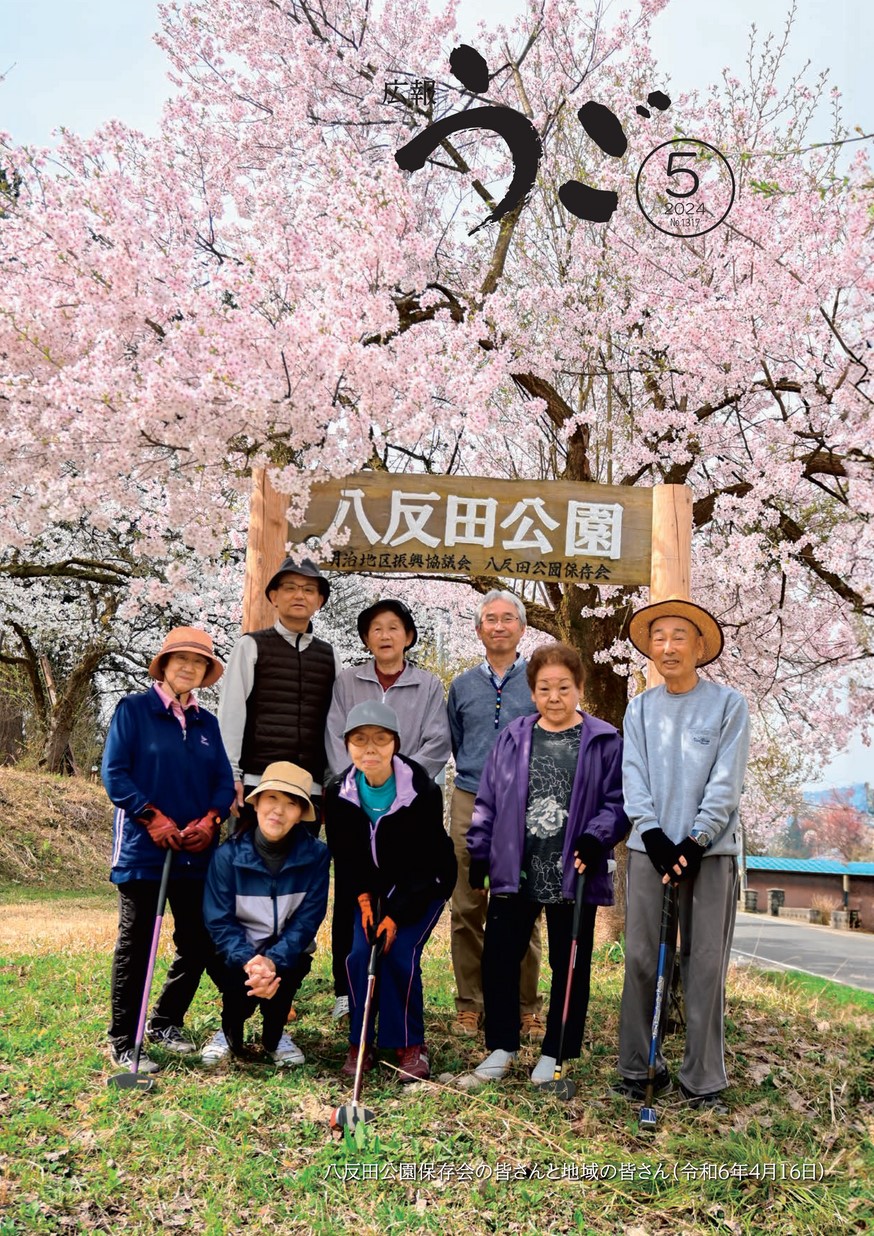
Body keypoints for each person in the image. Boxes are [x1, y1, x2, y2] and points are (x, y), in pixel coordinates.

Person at [464, 642, 627, 1087]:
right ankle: (500, 1046)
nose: (554, 697)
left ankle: (556, 1050)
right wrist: (479, 852)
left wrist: (597, 839)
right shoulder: (513, 735)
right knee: (499, 958)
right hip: (517, 868)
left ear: (579, 689)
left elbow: (618, 802)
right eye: (544, 688)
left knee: (570, 964)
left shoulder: (604, 740)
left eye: (563, 688)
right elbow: (488, 799)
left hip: (574, 869)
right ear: (532, 692)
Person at [616, 596, 750, 1114]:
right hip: (650, 851)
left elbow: (726, 782)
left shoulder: (727, 704)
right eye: (658, 637)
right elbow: (634, 774)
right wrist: (651, 834)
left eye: (678, 637)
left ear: (699, 646)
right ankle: (636, 1065)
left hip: (709, 854)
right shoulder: (640, 707)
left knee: (705, 964)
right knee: (642, 958)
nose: (667, 647)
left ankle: (703, 1077)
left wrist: (696, 840)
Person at [101, 627, 235, 1073]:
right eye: (181, 659)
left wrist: (211, 820)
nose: (188, 667)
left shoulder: (206, 723)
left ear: (204, 672)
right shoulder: (133, 710)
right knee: (137, 943)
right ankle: (124, 1038)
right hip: (144, 849)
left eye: (198, 662)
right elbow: (116, 773)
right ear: (164, 664)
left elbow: (221, 781)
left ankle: (164, 1020)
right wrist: (150, 816)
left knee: (198, 940)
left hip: (196, 850)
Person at [324, 598, 451, 1020]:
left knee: (403, 890)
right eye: (375, 628)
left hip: (407, 804)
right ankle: (347, 991)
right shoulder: (348, 681)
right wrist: (359, 781)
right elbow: (336, 736)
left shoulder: (428, 685)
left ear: (408, 636)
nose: (384, 635)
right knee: (352, 892)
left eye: (393, 627)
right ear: (365, 637)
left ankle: (393, 997)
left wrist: (403, 780)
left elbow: (438, 740)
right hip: (357, 799)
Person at [324, 701, 457, 1084]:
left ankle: (410, 1045)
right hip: (371, 888)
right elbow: (345, 855)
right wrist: (365, 901)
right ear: (348, 745)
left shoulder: (421, 791)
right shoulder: (338, 791)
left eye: (380, 740)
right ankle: (360, 1042)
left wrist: (395, 915)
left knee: (398, 952)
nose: (370, 749)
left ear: (395, 744)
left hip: (424, 884)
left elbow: (426, 862)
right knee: (358, 955)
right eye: (360, 740)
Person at [446, 589, 542, 1040]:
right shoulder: (462, 686)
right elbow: (457, 740)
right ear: (478, 628)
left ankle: (527, 1005)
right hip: (469, 796)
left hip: (526, 803)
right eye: (490, 619)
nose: (499, 626)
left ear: (522, 628)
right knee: (467, 903)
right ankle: (470, 1003)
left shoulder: (540, 679)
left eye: (508, 618)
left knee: (525, 902)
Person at [202, 762, 330, 1067]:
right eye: (272, 798)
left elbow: (308, 919)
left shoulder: (317, 856)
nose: (279, 811)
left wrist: (272, 961)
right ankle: (228, 1031)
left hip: (285, 955)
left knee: (280, 995)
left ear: (301, 813)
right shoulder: (227, 856)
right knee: (237, 1001)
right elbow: (218, 920)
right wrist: (251, 962)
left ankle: (275, 1036)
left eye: (291, 803)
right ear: (256, 802)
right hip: (237, 957)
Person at [218, 556, 342, 827]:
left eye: (309, 590)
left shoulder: (330, 655)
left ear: (319, 601)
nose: (300, 595)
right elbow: (231, 714)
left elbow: (335, 723)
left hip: (308, 787)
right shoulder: (250, 646)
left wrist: (332, 782)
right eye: (290, 587)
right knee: (248, 864)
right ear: (273, 596)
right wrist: (231, 775)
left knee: (300, 866)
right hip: (257, 784)